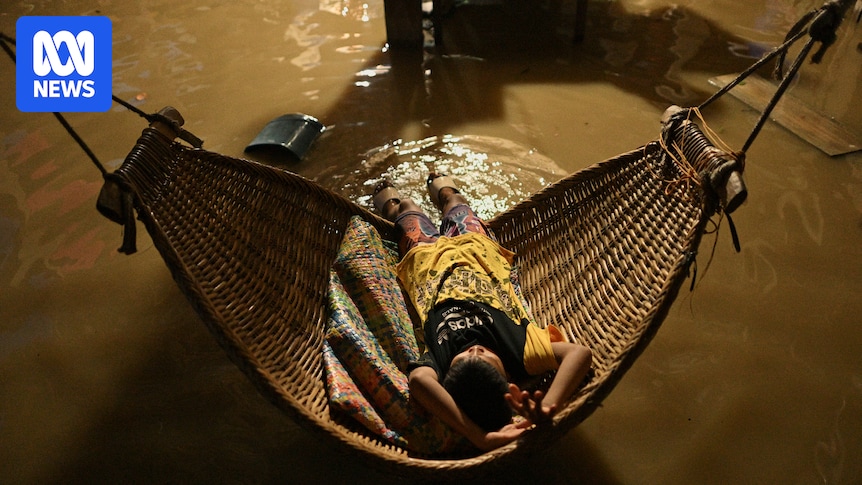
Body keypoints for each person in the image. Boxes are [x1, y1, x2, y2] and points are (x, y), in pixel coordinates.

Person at [373, 173, 592, 452]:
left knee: (406, 209)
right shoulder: (520, 351)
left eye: (463, 358)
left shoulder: (438, 362)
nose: (474, 350)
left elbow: (418, 381)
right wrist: (548, 407)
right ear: (510, 378)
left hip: (425, 258)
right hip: (477, 248)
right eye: (486, 358)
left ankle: (391, 205)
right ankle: (443, 187)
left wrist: (478, 436)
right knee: (456, 202)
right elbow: (579, 354)